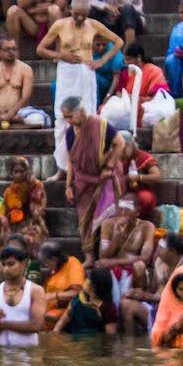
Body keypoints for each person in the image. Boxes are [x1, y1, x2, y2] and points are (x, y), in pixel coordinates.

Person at [39, 0, 123, 173]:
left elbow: (118, 42)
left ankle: (88, 165)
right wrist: (61, 55)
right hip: (66, 71)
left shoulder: (93, 25)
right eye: (76, 14)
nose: (79, 18)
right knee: (62, 118)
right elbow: (40, 49)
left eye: (83, 15)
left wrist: (102, 61)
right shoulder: (60, 25)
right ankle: (62, 169)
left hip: (86, 71)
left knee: (88, 116)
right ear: (70, 9)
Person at [62, 98, 122, 262]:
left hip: (104, 177)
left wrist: (109, 166)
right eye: (65, 117)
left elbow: (120, 143)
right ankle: (89, 257)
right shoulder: (69, 133)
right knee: (84, 218)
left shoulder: (100, 124)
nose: (69, 121)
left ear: (80, 112)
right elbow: (71, 161)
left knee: (109, 216)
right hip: (83, 182)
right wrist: (68, 185)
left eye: (70, 116)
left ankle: (108, 254)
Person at [94, 197, 158, 304]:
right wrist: (116, 237)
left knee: (140, 266)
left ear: (137, 211)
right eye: (120, 209)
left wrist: (114, 262)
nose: (123, 213)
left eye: (127, 209)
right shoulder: (108, 224)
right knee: (99, 268)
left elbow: (146, 258)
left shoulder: (147, 227)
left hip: (131, 270)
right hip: (112, 269)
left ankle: (137, 301)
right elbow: (102, 256)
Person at [0, 245, 47, 346]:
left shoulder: (36, 291)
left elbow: (36, 325)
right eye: (3, 264)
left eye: (11, 264)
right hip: (2, 354)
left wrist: (4, 324)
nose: (6, 269)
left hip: (29, 354)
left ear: (23, 264)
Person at [0, 157, 48, 257]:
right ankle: (1, 262)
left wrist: (26, 193)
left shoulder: (36, 186)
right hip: (13, 224)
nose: (18, 175)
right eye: (15, 172)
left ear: (27, 172)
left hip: (31, 224)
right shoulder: (10, 190)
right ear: (12, 173)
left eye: (21, 171)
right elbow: (2, 212)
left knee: (28, 238)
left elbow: (37, 212)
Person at [105, 42, 171, 129]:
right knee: (104, 109)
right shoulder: (125, 72)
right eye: (124, 60)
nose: (125, 63)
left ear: (139, 58)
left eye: (128, 59)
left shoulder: (154, 71)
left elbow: (158, 97)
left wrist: (136, 98)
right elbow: (119, 94)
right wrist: (127, 98)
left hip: (147, 107)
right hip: (127, 107)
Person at [53, 268, 119, 335]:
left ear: (94, 286)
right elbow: (63, 319)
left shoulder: (108, 308)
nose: (86, 281)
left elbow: (110, 337)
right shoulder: (79, 297)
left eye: (89, 279)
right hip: (73, 339)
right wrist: (55, 333)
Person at [117, 127, 163, 218]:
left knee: (145, 198)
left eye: (124, 148)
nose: (121, 152)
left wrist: (138, 177)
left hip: (139, 193)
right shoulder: (114, 157)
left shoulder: (143, 156)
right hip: (119, 193)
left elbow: (157, 177)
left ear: (131, 145)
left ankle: (134, 222)